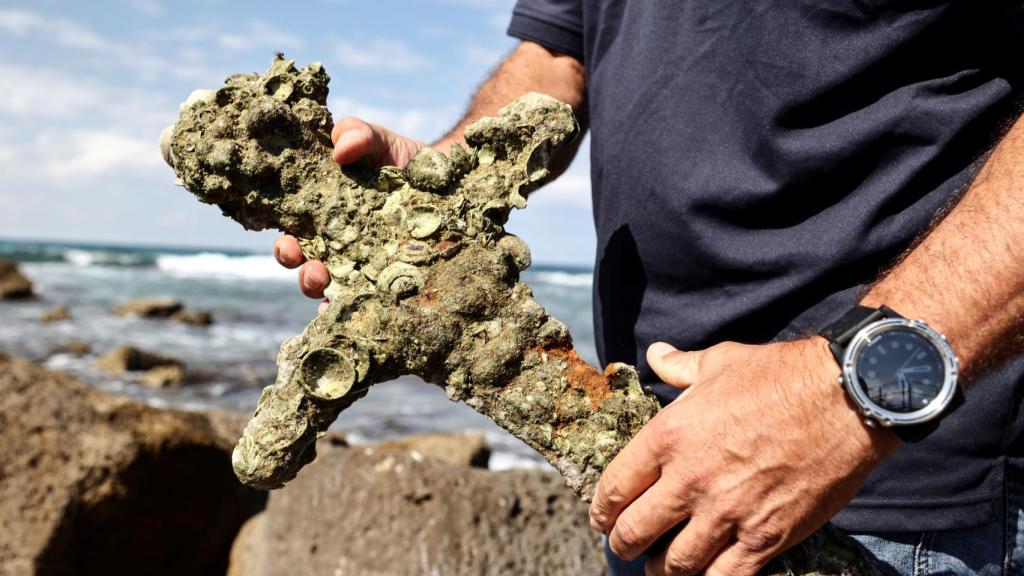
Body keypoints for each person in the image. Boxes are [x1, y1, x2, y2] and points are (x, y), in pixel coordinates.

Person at [275, 2, 1024, 574]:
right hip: (647, 456)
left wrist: (847, 390)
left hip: (886, 480)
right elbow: (554, 57)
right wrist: (438, 190)